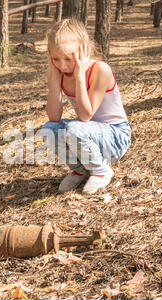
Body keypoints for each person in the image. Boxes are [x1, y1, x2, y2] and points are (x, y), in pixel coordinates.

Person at [39, 19, 132, 194]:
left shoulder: (100, 70)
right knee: (49, 128)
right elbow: (54, 117)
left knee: (75, 128)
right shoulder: (59, 72)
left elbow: (85, 116)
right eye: (55, 59)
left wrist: (80, 77)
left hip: (116, 136)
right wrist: (54, 82)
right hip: (88, 135)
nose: (62, 65)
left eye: (68, 58)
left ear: (84, 50)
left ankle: (101, 170)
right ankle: (80, 169)